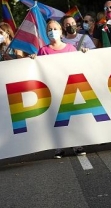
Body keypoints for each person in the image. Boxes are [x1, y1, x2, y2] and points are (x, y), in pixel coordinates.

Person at [33, 22, 87, 157]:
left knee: (72, 116)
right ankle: (59, 146)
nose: (52, 31)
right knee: (56, 117)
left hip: (69, 87)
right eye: (49, 29)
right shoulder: (43, 51)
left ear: (61, 31)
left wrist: (84, 54)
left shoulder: (70, 48)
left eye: (55, 29)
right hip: (52, 89)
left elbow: (78, 65)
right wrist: (32, 59)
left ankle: (77, 144)